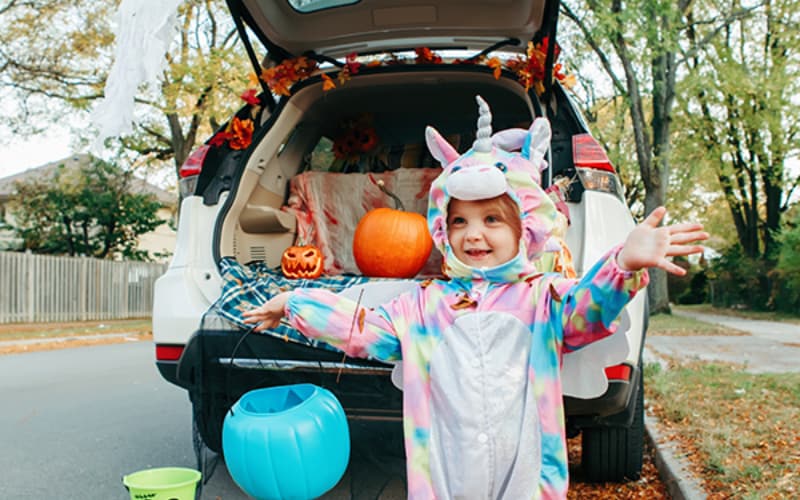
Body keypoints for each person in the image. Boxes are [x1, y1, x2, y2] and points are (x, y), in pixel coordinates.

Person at [243, 97, 708, 500]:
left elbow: (587, 314)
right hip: (446, 481)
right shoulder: (424, 307)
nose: (474, 234)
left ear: (525, 228)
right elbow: (364, 328)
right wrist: (296, 304)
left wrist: (621, 265)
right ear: (443, 231)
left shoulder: (542, 300)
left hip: (525, 480)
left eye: (491, 220)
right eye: (460, 221)